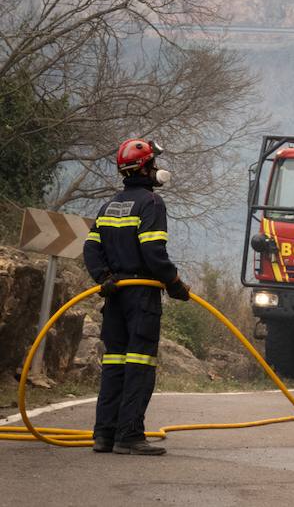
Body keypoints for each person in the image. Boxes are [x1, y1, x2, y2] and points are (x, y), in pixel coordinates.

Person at [82, 137, 192, 456]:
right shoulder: (151, 204)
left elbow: (91, 247)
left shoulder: (110, 205)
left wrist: (104, 278)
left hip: (115, 294)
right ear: (144, 168)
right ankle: (129, 435)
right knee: (139, 364)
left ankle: (104, 435)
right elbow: (153, 250)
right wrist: (174, 283)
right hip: (142, 295)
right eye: (153, 163)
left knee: (115, 363)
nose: (157, 168)